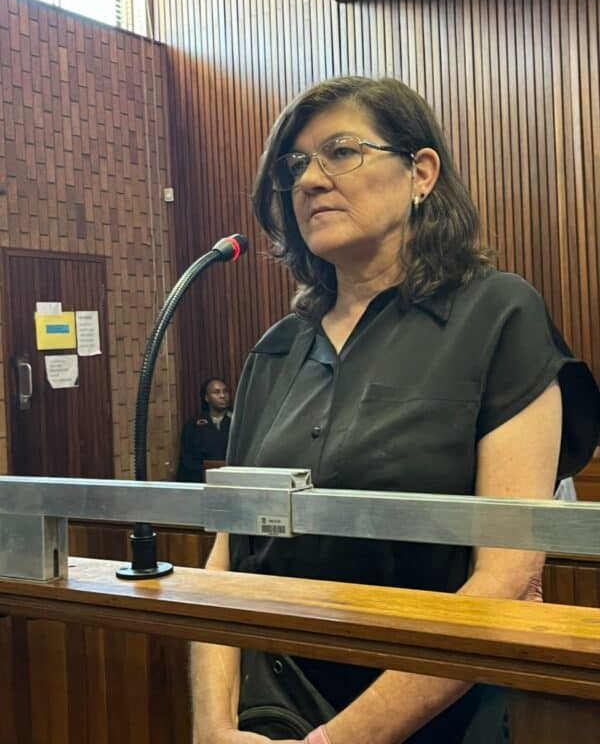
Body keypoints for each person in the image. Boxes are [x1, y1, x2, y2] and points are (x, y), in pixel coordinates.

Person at [190, 77, 600, 744]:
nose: (309, 180)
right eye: (294, 165)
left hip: (437, 716)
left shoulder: (499, 315)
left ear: (421, 173)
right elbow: (226, 554)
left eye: (341, 152)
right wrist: (210, 726)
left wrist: (343, 740)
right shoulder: (275, 351)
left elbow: (507, 575)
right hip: (268, 716)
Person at [176, 377, 231, 482]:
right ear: (207, 398)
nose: (223, 396)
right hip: (200, 479)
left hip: (232, 479)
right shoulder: (193, 425)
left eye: (225, 391)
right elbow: (187, 459)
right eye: (217, 392)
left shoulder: (237, 423)